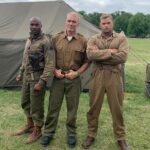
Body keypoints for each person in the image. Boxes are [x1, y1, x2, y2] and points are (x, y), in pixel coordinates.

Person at [40, 12, 90, 148]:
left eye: (74, 22)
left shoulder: (83, 41)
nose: (71, 24)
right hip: (58, 78)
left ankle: (71, 133)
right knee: (53, 107)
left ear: (78, 24)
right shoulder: (56, 38)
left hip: (74, 80)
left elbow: (87, 61)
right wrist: (54, 71)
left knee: (72, 108)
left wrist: (77, 73)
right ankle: (48, 133)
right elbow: (49, 58)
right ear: (65, 22)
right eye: (69, 21)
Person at [82, 14, 129, 150]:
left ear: (112, 24)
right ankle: (91, 134)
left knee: (117, 108)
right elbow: (90, 55)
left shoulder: (121, 38)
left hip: (114, 75)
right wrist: (110, 51)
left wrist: (100, 54)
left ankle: (120, 138)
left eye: (108, 23)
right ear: (100, 25)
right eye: (103, 23)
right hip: (98, 75)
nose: (106, 25)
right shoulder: (93, 38)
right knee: (93, 107)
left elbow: (123, 57)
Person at [13, 17, 54, 144]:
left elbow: (50, 64)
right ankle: (29, 125)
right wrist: (20, 72)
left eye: (36, 24)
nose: (34, 26)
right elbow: (25, 58)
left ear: (41, 26)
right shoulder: (29, 40)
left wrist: (41, 82)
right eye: (32, 24)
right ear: (29, 26)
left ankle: (37, 130)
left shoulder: (45, 41)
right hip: (26, 76)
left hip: (37, 77)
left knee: (36, 105)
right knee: (25, 102)